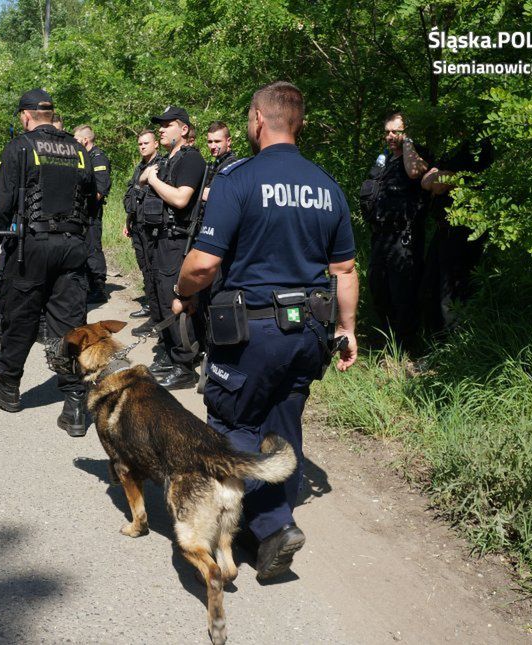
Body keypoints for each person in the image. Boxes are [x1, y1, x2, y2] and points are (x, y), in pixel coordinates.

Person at [172, 80, 358, 580]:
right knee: (283, 427)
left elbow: (205, 264)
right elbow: (344, 270)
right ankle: (274, 525)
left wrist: (183, 289)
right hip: (309, 334)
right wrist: (348, 329)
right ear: (299, 123)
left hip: (250, 334)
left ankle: (264, 526)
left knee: (233, 423)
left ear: (257, 119)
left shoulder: (240, 179)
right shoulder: (328, 185)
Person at [0, 89, 95, 437]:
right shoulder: (77, 150)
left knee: (21, 318)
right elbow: (89, 197)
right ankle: (75, 405)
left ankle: (9, 388)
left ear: (25, 117)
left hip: (31, 246)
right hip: (72, 245)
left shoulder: (20, 147)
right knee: (69, 325)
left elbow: (0, 207)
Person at [138, 106, 206, 389]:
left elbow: (180, 199)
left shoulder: (191, 160)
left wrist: (151, 179)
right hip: (159, 239)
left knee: (177, 301)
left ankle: (185, 364)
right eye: (160, 125)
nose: (162, 129)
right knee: (159, 297)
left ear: (185, 129)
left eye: (168, 125)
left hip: (177, 241)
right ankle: (170, 353)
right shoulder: (168, 160)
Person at [360, 112, 429, 348]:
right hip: (381, 238)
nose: (390, 136)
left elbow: (415, 173)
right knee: (379, 290)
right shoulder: (385, 161)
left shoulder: (415, 156)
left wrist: (408, 142)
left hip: (404, 238)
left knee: (403, 294)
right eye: (387, 131)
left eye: (396, 131)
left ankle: (407, 349)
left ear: (406, 133)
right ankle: (389, 343)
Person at [420, 138, 493, 334]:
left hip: (464, 229)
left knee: (452, 290)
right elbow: (426, 181)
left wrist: (440, 179)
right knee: (431, 284)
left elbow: (440, 185)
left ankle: (452, 347)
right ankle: (435, 344)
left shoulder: (477, 147)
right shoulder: (451, 150)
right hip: (442, 227)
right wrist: (439, 178)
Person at [121, 129, 162, 333]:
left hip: (151, 227)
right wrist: (127, 221)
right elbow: (132, 196)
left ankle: (157, 317)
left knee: (154, 270)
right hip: (136, 225)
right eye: (140, 144)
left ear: (156, 144)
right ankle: (153, 310)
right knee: (145, 269)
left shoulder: (160, 166)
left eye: (146, 143)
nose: (143, 146)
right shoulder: (140, 168)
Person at [73, 125, 111, 303]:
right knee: (84, 249)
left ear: (85, 140)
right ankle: (88, 285)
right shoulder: (84, 158)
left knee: (93, 248)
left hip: (92, 213)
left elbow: (100, 189)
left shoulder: (98, 158)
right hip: (82, 212)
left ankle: (99, 287)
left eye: (76, 139)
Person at [203, 120, 239, 201]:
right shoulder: (217, 163)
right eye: (209, 142)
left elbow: (227, 197)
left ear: (228, 141)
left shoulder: (232, 165)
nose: (212, 146)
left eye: (217, 141)